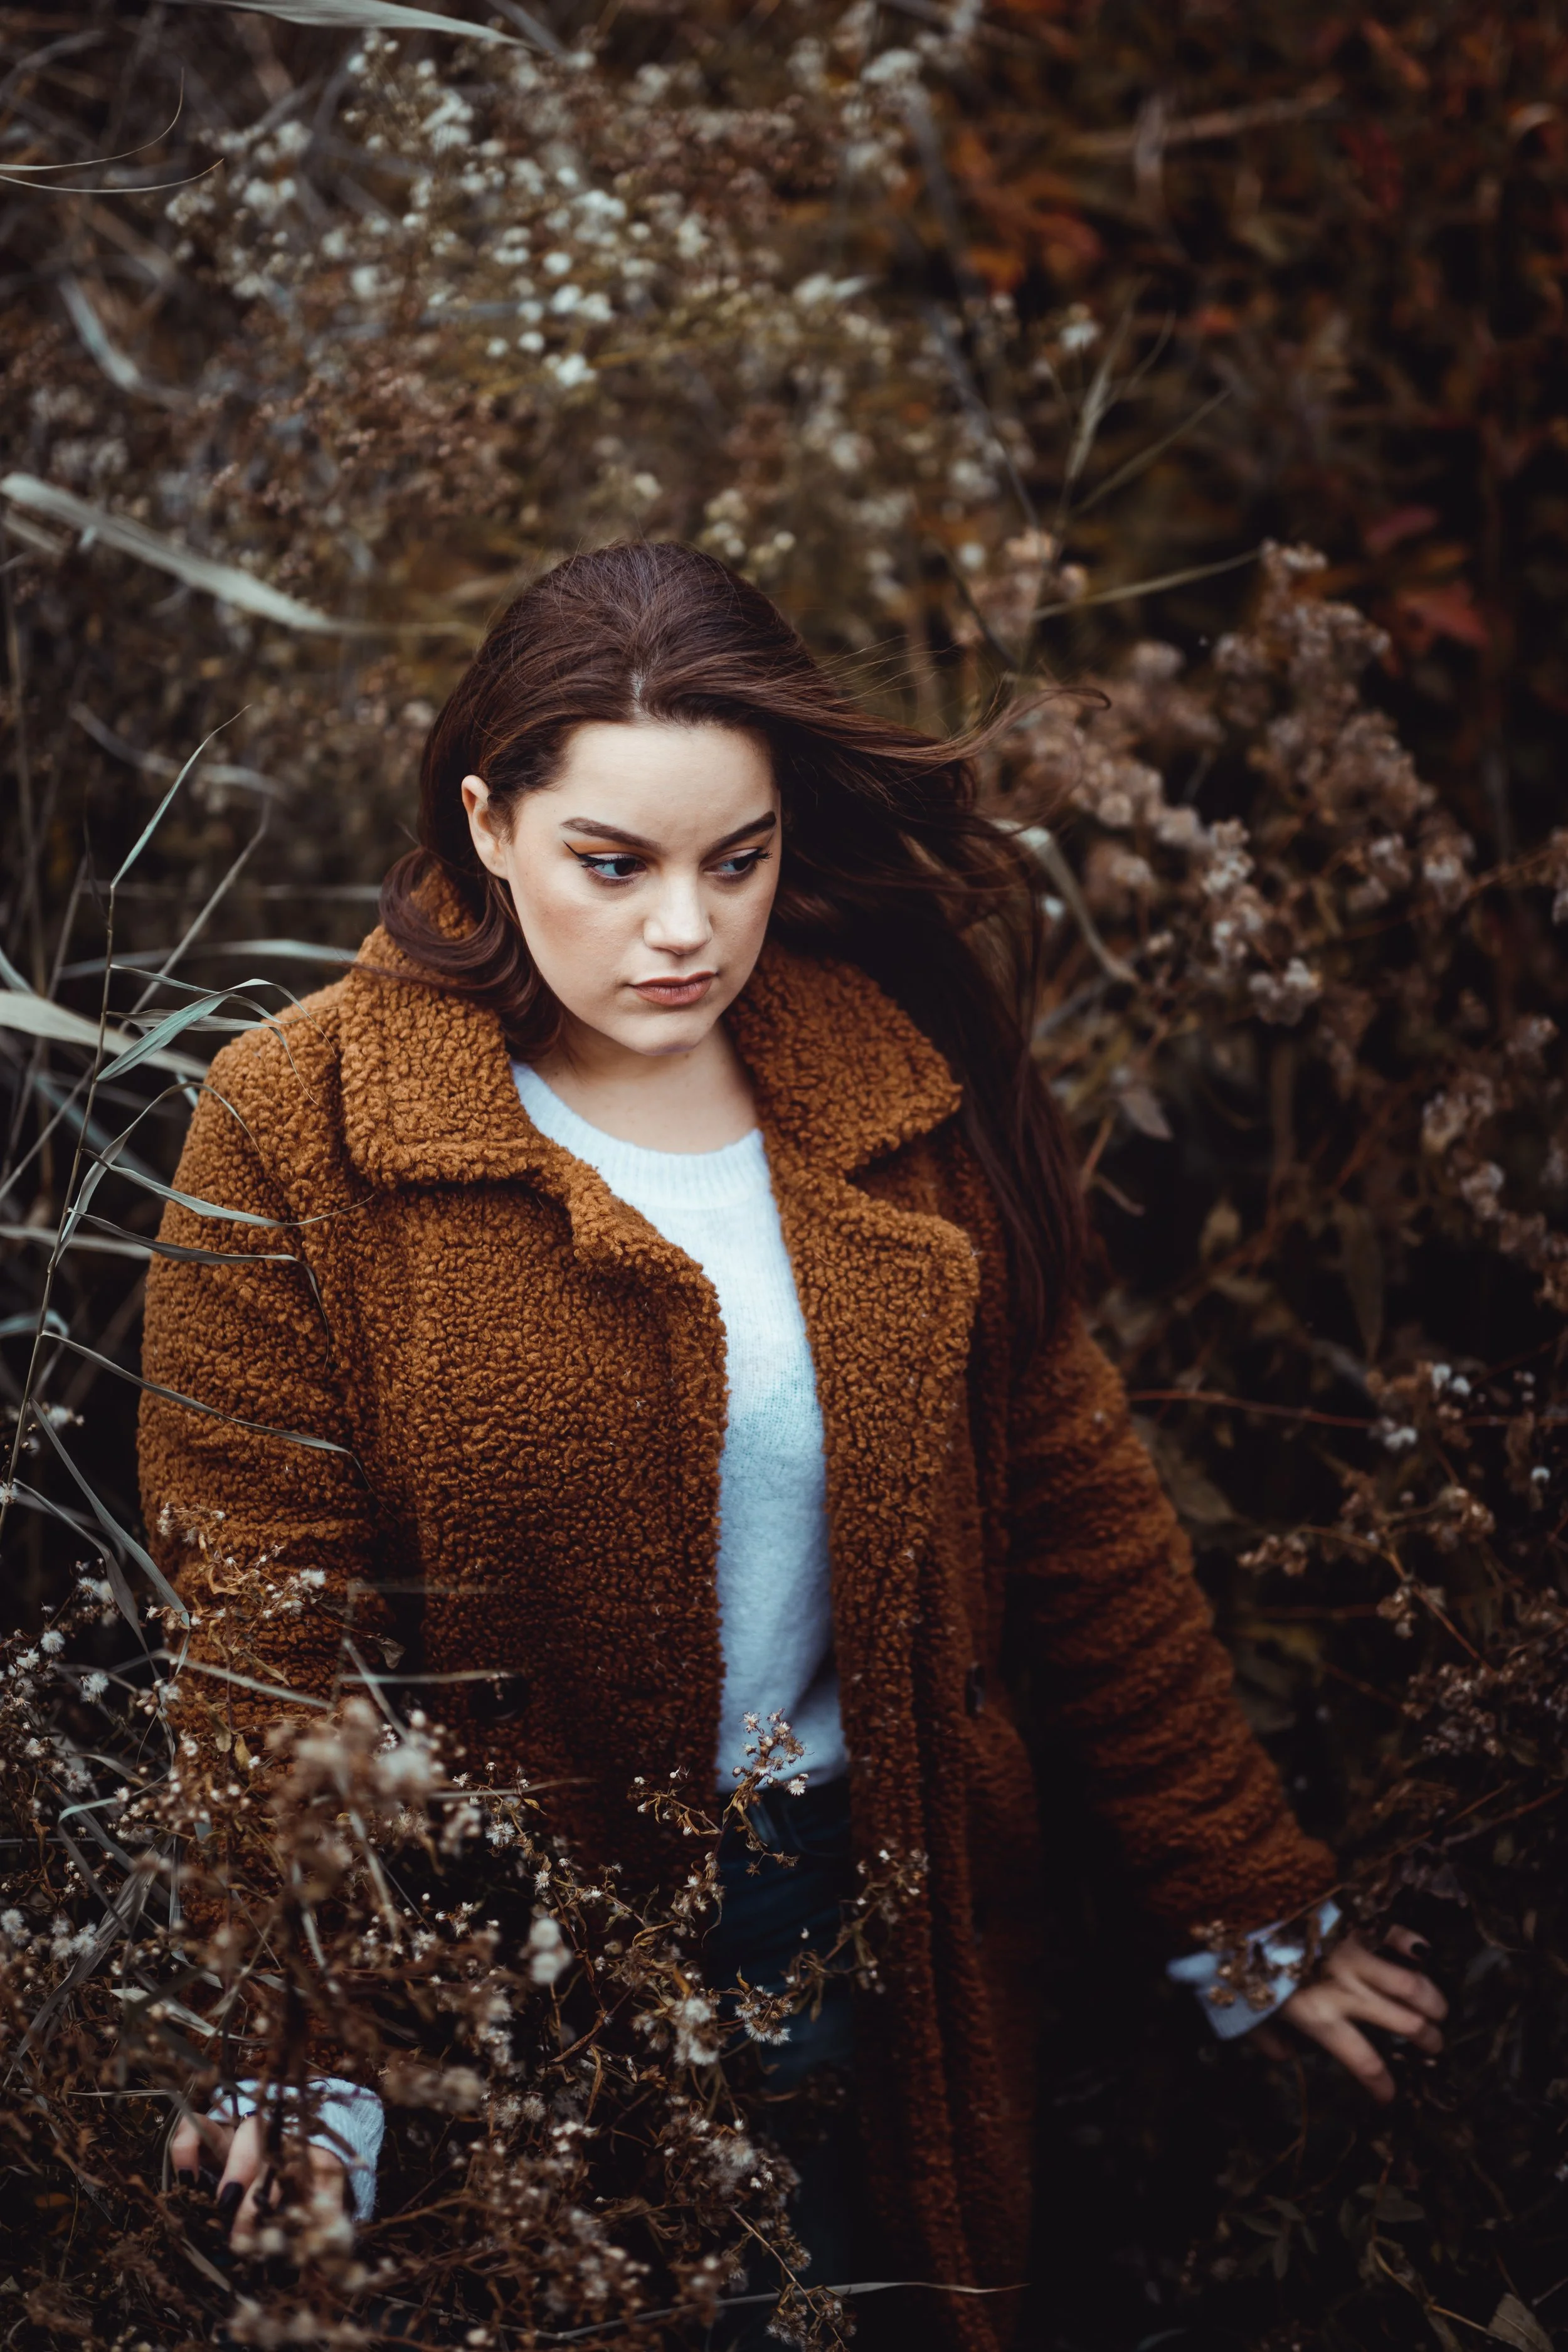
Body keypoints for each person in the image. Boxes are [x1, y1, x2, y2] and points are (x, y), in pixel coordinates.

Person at [142, 541, 1447, 2345]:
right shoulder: (300, 1118)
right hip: (488, 1975)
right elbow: (257, 1611)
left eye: (735, 860)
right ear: (488, 826)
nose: (684, 928)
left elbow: (1074, 1517)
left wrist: (1244, 1903)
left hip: (871, 1925)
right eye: (614, 863)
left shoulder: (886, 1080)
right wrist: (297, 2035)